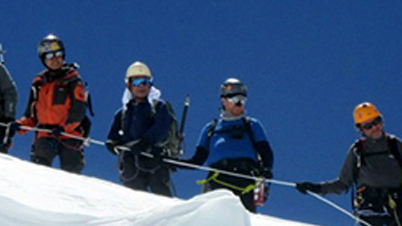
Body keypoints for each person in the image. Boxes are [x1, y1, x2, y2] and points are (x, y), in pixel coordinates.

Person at [295, 102, 402, 226]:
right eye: (368, 126)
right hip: (370, 203)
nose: (375, 127)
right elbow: (343, 183)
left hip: (397, 202)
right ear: (361, 129)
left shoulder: (395, 145)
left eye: (377, 121)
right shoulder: (357, 150)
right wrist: (316, 188)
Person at [182, 78, 273, 212]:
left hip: (244, 179)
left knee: (244, 220)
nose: (240, 104)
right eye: (236, 100)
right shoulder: (210, 129)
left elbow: (266, 152)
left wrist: (266, 170)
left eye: (242, 101)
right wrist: (172, 162)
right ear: (223, 100)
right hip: (217, 180)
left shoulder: (252, 125)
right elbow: (197, 160)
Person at [15, 34, 89, 172]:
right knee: (40, 168)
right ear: (43, 59)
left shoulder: (72, 80)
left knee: (71, 171)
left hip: (69, 134)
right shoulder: (38, 83)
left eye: (58, 54)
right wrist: (20, 125)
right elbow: (31, 115)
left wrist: (64, 128)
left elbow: (78, 111)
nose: (55, 59)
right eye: (49, 56)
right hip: (45, 133)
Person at [105, 61, 176, 196]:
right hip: (131, 163)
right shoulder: (123, 113)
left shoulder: (159, 107)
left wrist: (145, 142)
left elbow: (161, 128)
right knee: (133, 201)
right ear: (129, 85)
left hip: (154, 160)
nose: (141, 86)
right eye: (137, 82)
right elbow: (113, 136)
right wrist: (113, 143)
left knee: (161, 201)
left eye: (145, 82)